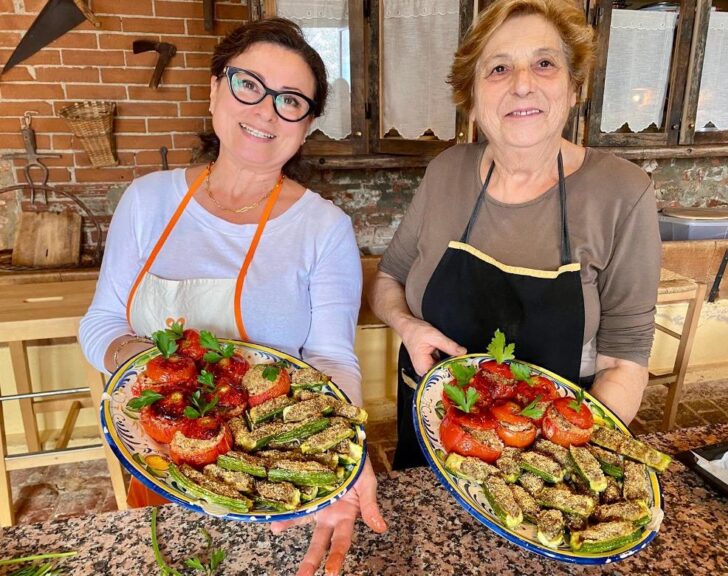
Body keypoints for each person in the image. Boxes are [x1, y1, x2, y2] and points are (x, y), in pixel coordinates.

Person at [79, 18, 386, 575]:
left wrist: (339, 453)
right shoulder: (148, 200)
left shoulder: (325, 228)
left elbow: (331, 359)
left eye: (291, 100)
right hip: (163, 460)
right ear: (216, 87)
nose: (266, 110)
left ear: (308, 124)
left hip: (272, 481)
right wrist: (157, 369)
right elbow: (100, 322)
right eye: (249, 84)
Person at [370, 0, 661, 470]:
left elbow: (623, 362)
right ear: (472, 95)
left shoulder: (621, 193)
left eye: (544, 64)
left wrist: (554, 470)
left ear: (573, 88)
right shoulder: (447, 171)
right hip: (427, 435)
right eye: (499, 68)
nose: (522, 84)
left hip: (546, 455)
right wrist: (408, 325)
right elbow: (388, 281)